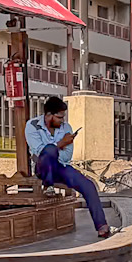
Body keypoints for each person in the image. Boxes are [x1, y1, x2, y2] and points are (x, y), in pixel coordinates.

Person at [23, 96, 112, 238]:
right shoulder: (32, 125)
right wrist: (60, 144)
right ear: (49, 115)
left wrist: (56, 149)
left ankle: (102, 225)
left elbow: (67, 157)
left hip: (61, 168)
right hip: (43, 168)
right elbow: (39, 152)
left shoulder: (66, 128)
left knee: (88, 185)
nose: (62, 120)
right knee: (49, 151)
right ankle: (48, 185)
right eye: (59, 117)